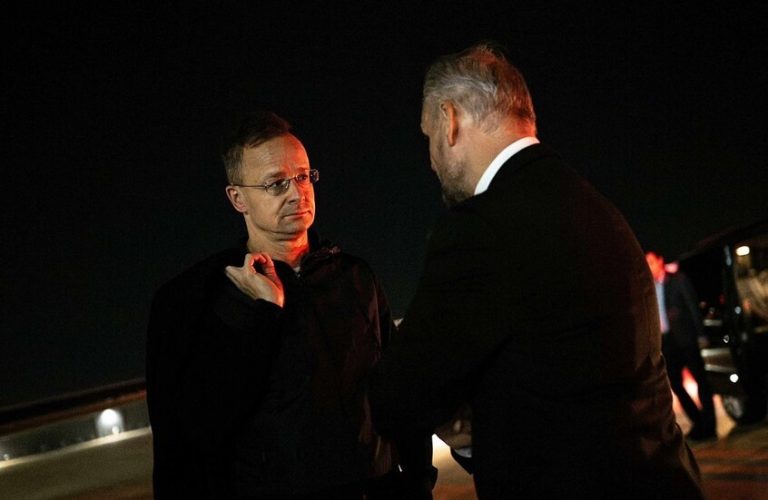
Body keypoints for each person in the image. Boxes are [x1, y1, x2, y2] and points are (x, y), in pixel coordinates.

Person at [369, 43, 704, 498]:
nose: (430, 160)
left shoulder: (481, 227)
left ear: (450, 119)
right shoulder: (595, 207)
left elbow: (399, 394)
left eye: (428, 137)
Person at [146, 111, 434, 499]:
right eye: (276, 183)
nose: (297, 193)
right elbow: (197, 429)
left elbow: (400, 393)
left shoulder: (354, 277)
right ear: (237, 198)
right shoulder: (205, 298)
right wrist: (261, 313)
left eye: (302, 176)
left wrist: (418, 482)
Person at [646, 250, 717, 441]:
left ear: (660, 261)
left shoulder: (677, 280)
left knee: (701, 381)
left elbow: (692, 307)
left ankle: (709, 426)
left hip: (686, 338)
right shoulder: (649, 288)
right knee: (675, 384)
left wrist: (701, 334)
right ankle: (698, 421)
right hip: (666, 342)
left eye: (651, 262)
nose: (649, 267)